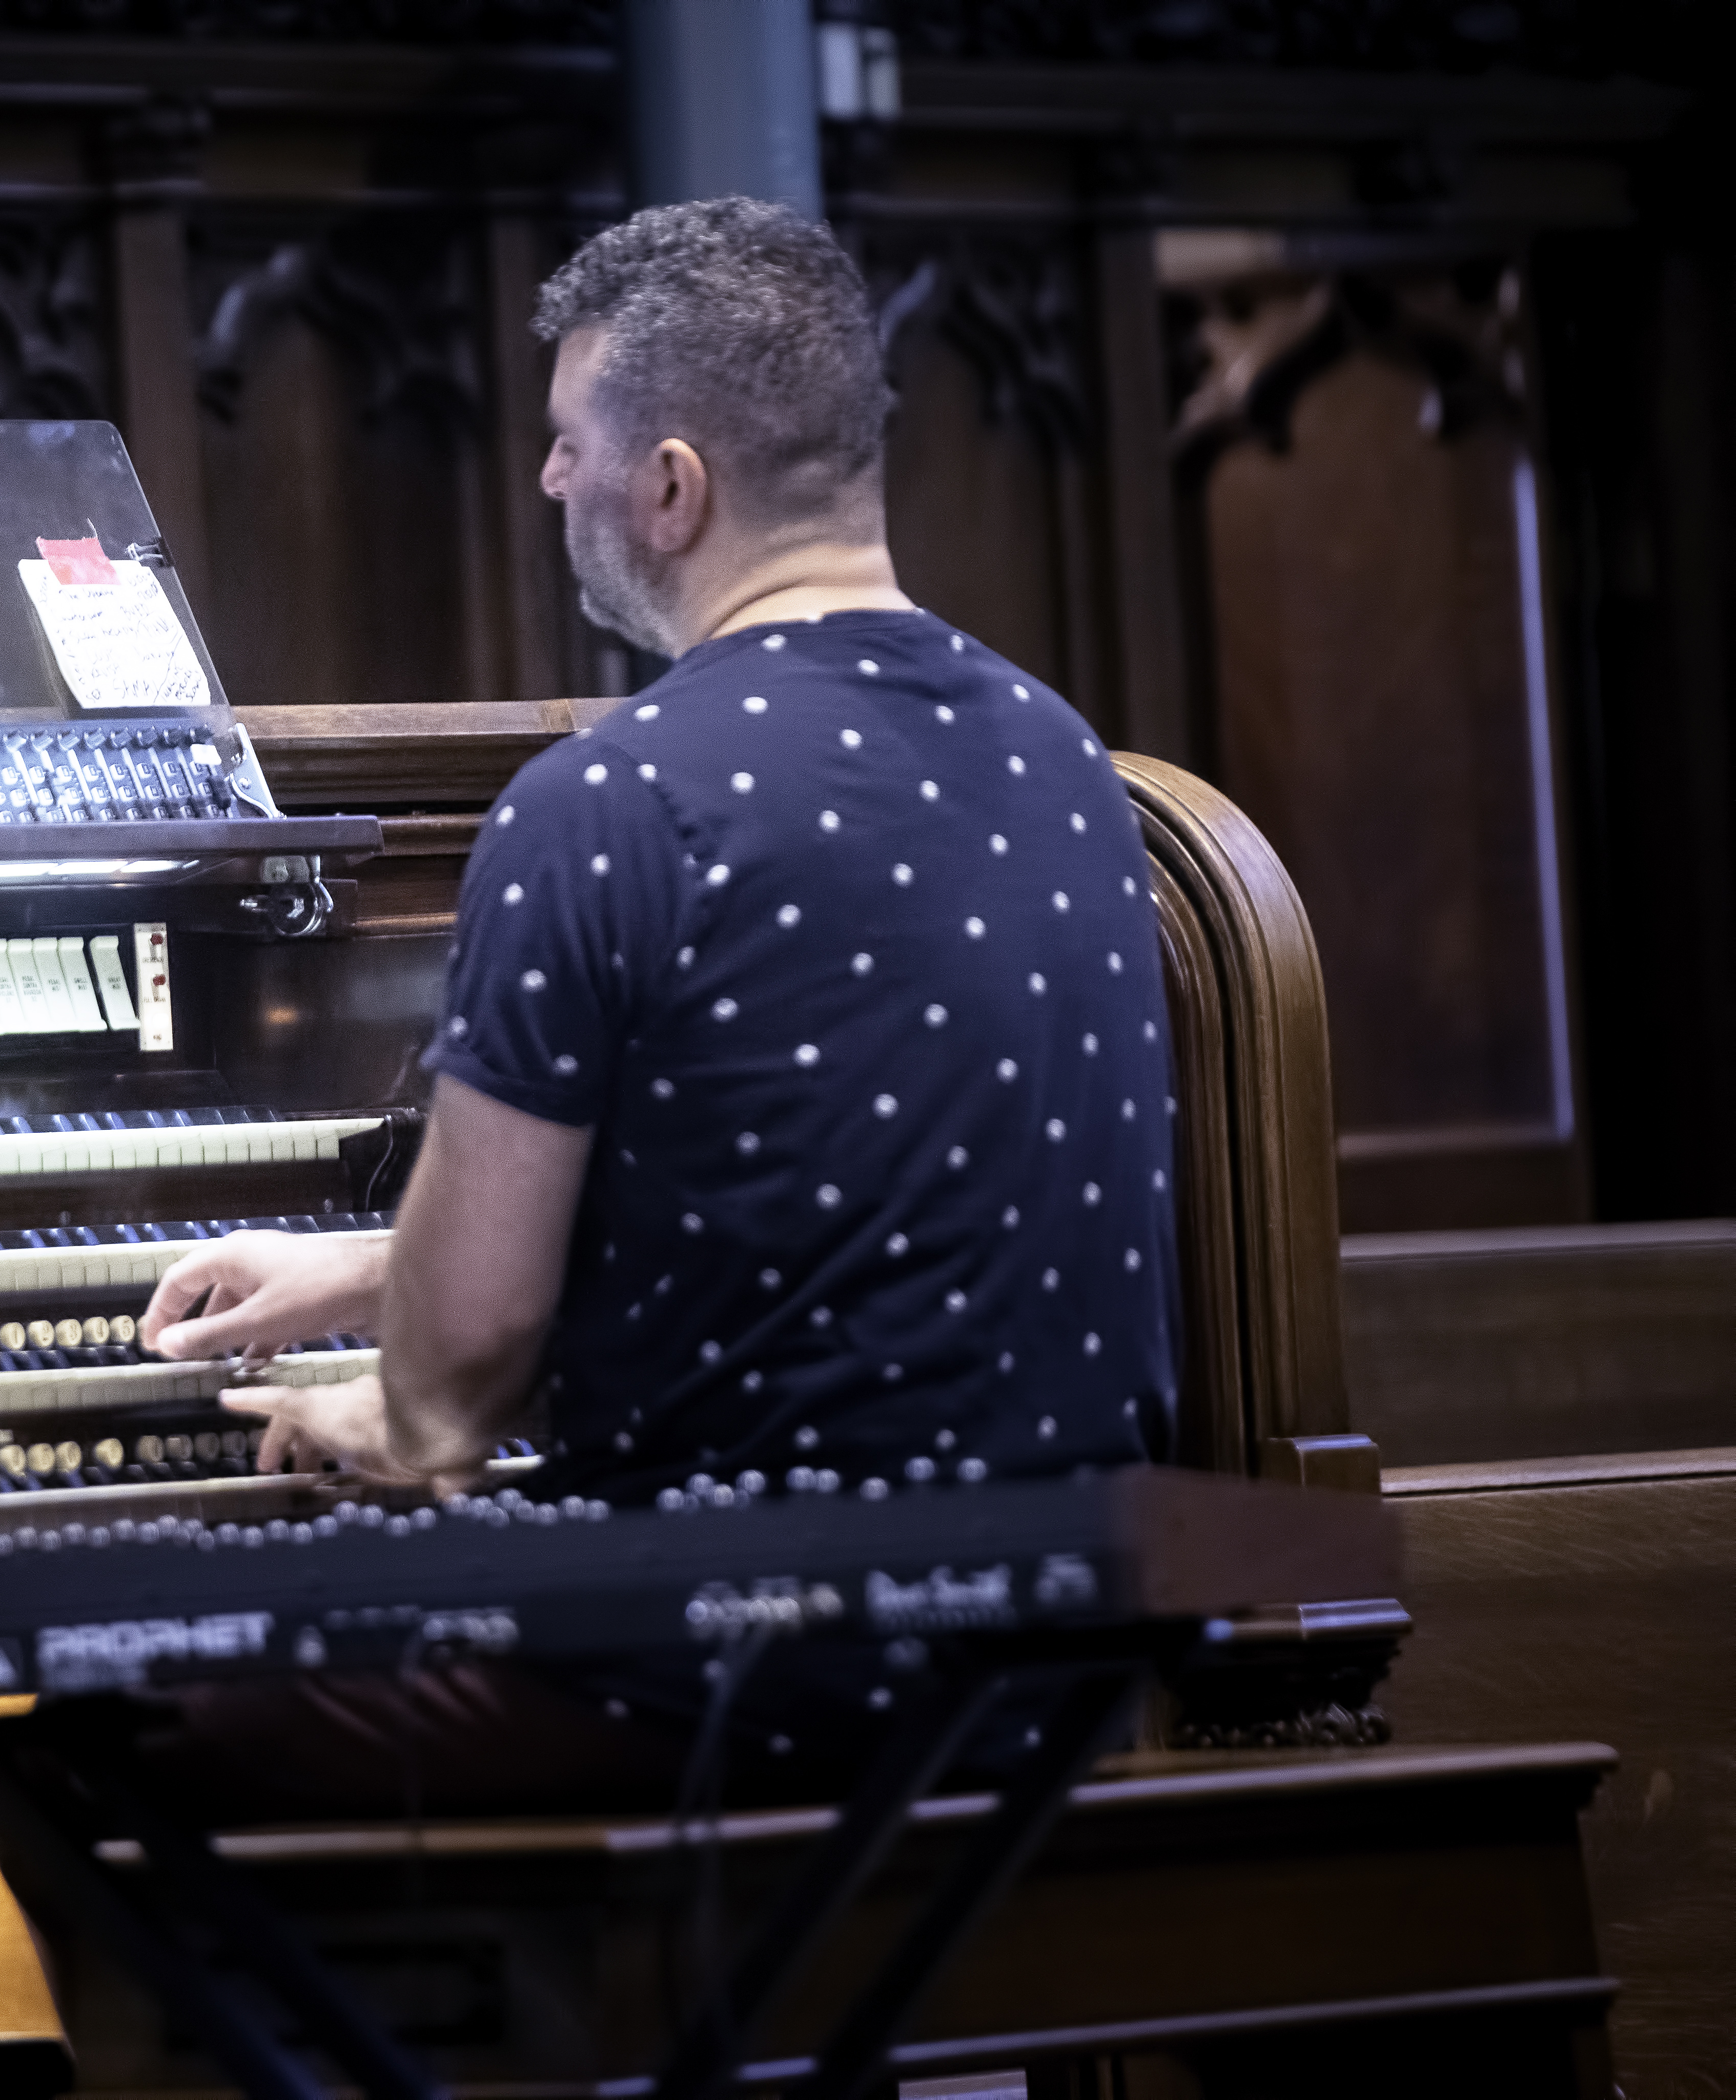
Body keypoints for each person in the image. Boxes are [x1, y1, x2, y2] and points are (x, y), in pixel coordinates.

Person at [128, 197, 1180, 1818]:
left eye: (568, 441)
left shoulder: (604, 801)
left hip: (748, 1677)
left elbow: (451, 1388)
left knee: (97, 1710)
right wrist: (367, 1263)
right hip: (1059, 1655)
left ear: (671, 487)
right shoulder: (1062, 758)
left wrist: (391, 1394)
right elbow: (821, 1217)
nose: (548, 477)